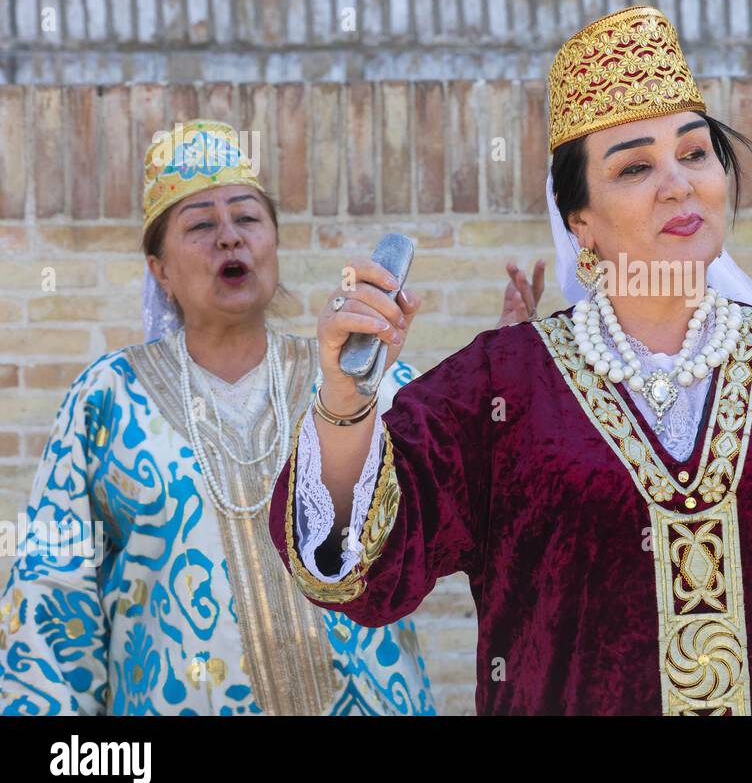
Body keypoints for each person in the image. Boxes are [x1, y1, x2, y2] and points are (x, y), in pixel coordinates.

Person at [269, 5, 752, 715]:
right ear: (580, 221)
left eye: (695, 153)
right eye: (635, 166)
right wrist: (345, 400)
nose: (678, 183)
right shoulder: (500, 389)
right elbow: (357, 569)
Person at [0, 120, 435, 716]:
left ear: (274, 243)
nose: (230, 238)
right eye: (201, 225)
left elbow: (456, 508)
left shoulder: (360, 379)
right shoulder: (106, 399)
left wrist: (517, 372)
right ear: (160, 270)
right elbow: (53, 600)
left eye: (249, 219)